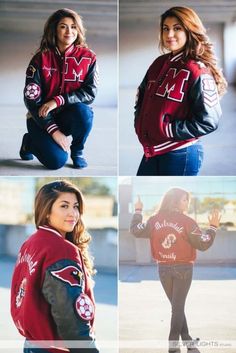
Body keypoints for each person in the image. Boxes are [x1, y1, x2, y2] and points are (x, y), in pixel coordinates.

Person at [134, 6, 227, 176]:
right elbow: (141, 99)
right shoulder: (158, 63)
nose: (169, 34)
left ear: (190, 31)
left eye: (177, 28)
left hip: (180, 152)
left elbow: (209, 121)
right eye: (165, 28)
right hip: (152, 150)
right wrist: (140, 123)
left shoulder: (196, 70)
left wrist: (166, 130)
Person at [11, 180, 99, 353]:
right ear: (46, 211)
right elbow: (68, 311)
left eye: (75, 206)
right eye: (64, 206)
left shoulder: (30, 243)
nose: (72, 213)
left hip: (32, 344)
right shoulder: (61, 249)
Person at [130, 188, 221, 353]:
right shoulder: (187, 222)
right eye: (185, 199)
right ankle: (173, 347)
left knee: (177, 307)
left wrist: (138, 210)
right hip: (183, 268)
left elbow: (136, 230)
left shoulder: (154, 220)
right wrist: (213, 228)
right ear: (175, 200)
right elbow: (203, 243)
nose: (187, 203)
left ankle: (188, 341)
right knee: (177, 308)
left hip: (163, 268)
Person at [20, 8, 98, 169]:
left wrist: (58, 100)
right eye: (63, 26)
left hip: (68, 116)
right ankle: (29, 143)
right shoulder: (40, 59)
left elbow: (90, 93)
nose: (69, 31)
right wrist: (53, 130)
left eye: (73, 26)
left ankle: (77, 151)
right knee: (56, 162)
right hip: (39, 118)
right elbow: (31, 99)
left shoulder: (89, 58)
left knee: (84, 113)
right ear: (54, 29)